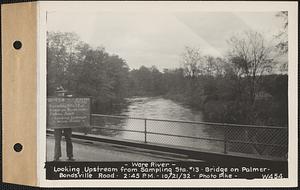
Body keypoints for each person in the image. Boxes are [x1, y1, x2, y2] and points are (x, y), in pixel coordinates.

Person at [53, 87, 75, 161]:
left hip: (67, 122)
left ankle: (70, 156)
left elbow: (75, 107)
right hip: (57, 123)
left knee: (69, 139)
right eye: (59, 93)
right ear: (57, 94)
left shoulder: (68, 100)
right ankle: (57, 156)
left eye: (62, 92)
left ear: (64, 93)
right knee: (57, 140)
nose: (61, 94)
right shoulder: (53, 101)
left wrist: (71, 99)